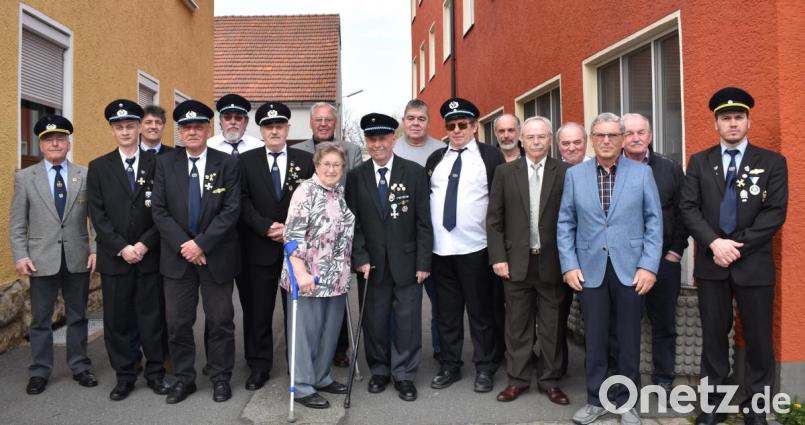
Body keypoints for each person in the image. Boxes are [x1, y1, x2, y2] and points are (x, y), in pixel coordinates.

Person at [680, 87, 788, 425]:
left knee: (758, 338)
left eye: (738, 117)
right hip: (712, 264)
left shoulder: (771, 162)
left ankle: (756, 407)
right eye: (726, 118)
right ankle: (714, 404)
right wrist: (715, 243)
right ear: (716, 124)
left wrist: (734, 246)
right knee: (713, 337)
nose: (733, 123)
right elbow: (688, 208)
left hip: (753, 264)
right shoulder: (700, 161)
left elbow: (775, 213)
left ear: (748, 121)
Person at [557, 113, 662, 425]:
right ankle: (596, 400)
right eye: (600, 135)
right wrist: (569, 264)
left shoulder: (641, 173)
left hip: (631, 270)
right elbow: (565, 223)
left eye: (612, 135)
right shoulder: (575, 175)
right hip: (590, 270)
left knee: (628, 339)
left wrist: (648, 266)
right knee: (595, 339)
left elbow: (654, 223)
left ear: (621, 139)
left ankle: (627, 402)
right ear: (592, 139)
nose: (606, 141)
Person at [151, 100, 241, 404]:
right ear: (179, 132)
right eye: (186, 127)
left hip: (216, 255)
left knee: (220, 321)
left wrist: (201, 243)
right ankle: (184, 378)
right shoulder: (165, 164)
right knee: (178, 323)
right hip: (177, 258)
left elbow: (231, 210)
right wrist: (186, 246)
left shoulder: (227, 163)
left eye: (198, 126)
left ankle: (220, 377)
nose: (192, 132)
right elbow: (159, 211)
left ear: (208, 129)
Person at [86, 100, 170, 401]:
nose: (125, 131)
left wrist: (144, 244)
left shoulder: (159, 164)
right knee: (118, 320)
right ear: (112, 130)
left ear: (139, 128)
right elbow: (97, 215)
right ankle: (125, 375)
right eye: (119, 127)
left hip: (150, 254)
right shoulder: (98, 167)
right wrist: (122, 247)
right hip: (116, 258)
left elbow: (163, 209)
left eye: (130, 126)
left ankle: (156, 373)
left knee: (152, 317)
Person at [346, 113, 433, 401]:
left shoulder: (414, 173)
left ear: (393, 139)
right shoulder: (356, 176)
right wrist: (360, 257)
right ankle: (380, 370)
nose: (377, 144)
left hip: (407, 262)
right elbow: (353, 222)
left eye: (382, 138)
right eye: (371, 139)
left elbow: (423, 221)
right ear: (366, 141)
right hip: (371, 264)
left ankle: (404, 374)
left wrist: (423, 262)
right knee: (375, 320)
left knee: (407, 321)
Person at [9, 115, 98, 395]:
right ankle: (39, 371)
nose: (55, 143)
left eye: (60, 139)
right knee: (41, 319)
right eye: (49, 140)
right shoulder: (25, 178)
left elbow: (95, 219)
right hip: (40, 259)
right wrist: (20, 255)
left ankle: (80, 365)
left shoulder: (85, 174)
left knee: (77, 316)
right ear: (41, 145)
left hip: (77, 256)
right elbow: (17, 223)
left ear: (68, 143)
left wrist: (95, 249)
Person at [487, 116, 570, 405]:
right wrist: (498, 257)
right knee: (517, 325)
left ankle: (550, 381)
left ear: (550, 140)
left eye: (542, 136)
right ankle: (517, 380)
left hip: (553, 262)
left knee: (552, 326)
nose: (536, 142)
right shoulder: (504, 172)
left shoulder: (566, 172)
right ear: (522, 140)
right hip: (515, 262)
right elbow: (494, 220)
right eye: (531, 137)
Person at [425, 97, 504, 393]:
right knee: (447, 315)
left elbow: (500, 203)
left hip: (476, 249)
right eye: (451, 125)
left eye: (462, 124)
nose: (457, 130)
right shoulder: (436, 159)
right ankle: (450, 365)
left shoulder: (490, 157)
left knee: (481, 313)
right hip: (442, 251)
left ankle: (485, 367)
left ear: (474, 126)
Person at [238, 102, 314, 390]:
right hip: (258, 249)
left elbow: (312, 201)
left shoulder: (306, 160)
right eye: (268, 126)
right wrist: (265, 226)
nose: (274, 131)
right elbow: (241, 200)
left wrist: (289, 230)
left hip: (294, 250)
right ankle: (259, 366)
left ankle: (298, 365)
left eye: (279, 126)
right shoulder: (245, 161)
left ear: (287, 129)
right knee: (258, 312)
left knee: (297, 312)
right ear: (261, 130)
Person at [283, 142, 356, 409]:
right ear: (316, 166)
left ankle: (322, 377)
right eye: (326, 164)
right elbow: (291, 236)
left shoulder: (339, 192)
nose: (331, 169)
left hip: (336, 277)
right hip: (308, 277)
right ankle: (303, 386)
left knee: (329, 332)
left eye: (337, 165)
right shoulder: (306, 191)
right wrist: (300, 272)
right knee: (306, 334)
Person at [621, 113, 688, 392]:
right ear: (621, 138)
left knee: (663, 323)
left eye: (641, 132)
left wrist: (675, 252)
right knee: (625, 324)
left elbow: (685, 211)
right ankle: (626, 382)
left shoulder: (670, 168)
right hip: (625, 261)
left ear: (650, 135)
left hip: (664, 260)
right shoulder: (613, 168)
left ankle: (664, 380)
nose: (635, 138)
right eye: (629, 133)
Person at [294, 101, 362, 368]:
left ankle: (333, 357)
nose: (323, 124)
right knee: (309, 319)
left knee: (335, 312)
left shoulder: (351, 153)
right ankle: (305, 373)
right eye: (318, 120)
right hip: (309, 256)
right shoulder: (300, 159)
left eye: (328, 120)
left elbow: (354, 195)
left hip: (337, 255)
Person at [393, 99, 444, 363]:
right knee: (403, 305)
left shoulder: (442, 151)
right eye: (411, 118)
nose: (415, 123)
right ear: (404, 121)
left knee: (441, 301)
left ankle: (441, 350)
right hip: (402, 240)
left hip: (437, 240)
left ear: (428, 122)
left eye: (421, 119)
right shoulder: (391, 149)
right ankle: (401, 353)